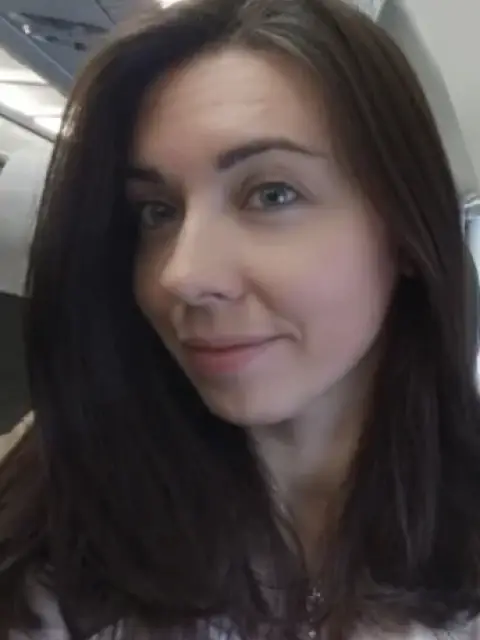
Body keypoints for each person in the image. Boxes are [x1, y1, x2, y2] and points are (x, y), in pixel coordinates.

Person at [1, 0, 479, 638]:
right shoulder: (52, 496)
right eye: (157, 212)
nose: (181, 275)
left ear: (405, 234)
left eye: (272, 194)